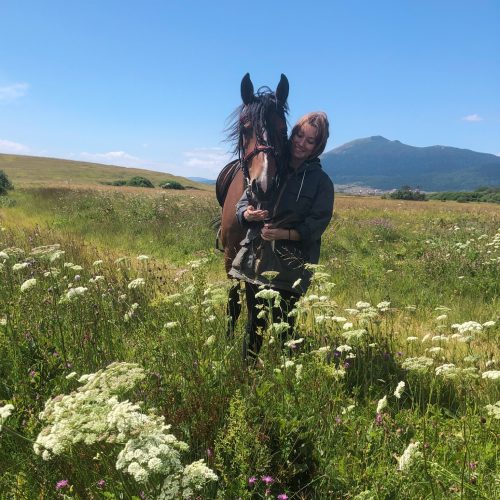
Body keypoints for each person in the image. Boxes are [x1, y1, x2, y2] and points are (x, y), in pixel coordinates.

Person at [229, 112, 334, 359]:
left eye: (310, 141)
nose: (301, 143)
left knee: (285, 330)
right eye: (299, 135)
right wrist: (248, 215)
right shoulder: (270, 166)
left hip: (291, 268)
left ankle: (285, 384)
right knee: (254, 327)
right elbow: (242, 203)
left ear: (318, 146)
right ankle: (247, 377)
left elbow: (316, 226)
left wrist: (285, 233)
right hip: (256, 260)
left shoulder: (321, 182)